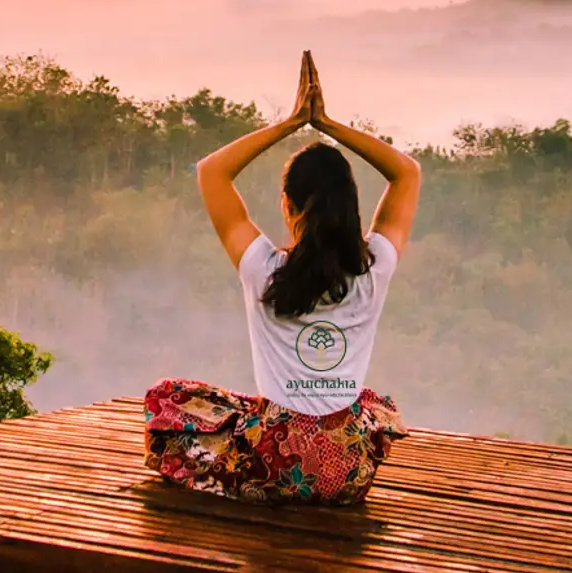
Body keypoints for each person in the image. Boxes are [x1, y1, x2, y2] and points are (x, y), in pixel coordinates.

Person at [144, 51, 422, 505]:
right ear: (350, 208)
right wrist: (327, 124)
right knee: (369, 404)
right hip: (346, 473)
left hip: (272, 465)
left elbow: (212, 171)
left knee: (166, 399)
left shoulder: (262, 269)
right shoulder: (375, 268)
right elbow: (406, 172)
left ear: (288, 206)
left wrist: (293, 122)